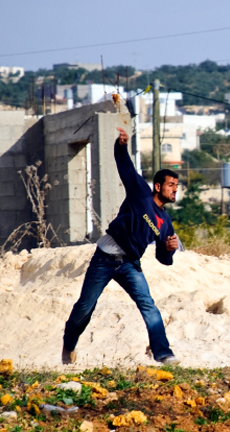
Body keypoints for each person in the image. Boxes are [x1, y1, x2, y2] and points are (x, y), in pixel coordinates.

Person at [62, 127, 181, 366]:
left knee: (149, 305)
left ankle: (164, 354)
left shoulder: (166, 222)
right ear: (158, 186)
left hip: (129, 265)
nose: (175, 189)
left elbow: (162, 259)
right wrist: (121, 146)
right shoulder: (141, 194)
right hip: (104, 259)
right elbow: (125, 168)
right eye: (171, 185)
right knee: (85, 307)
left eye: (177, 185)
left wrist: (169, 249)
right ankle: (69, 343)